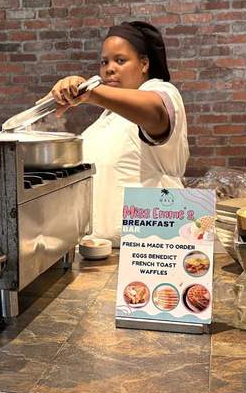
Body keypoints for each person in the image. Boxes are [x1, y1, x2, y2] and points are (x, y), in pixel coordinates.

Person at [44, 21, 189, 246]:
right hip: (102, 249)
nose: (109, 68)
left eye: (120, 60)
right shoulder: (108, 117)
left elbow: (156, 113)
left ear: (144, 64)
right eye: (104, 62)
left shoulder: (161, 92)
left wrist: (91, 92)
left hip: (149, 249)